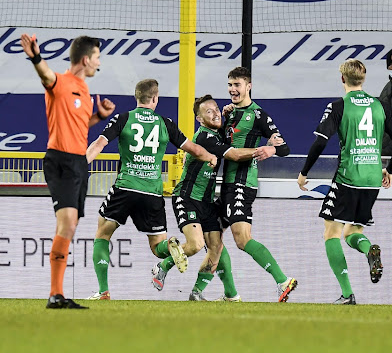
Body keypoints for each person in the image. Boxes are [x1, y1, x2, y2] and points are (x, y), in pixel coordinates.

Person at [84, 79, 218, 300]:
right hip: (153, 192)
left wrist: (81, 165)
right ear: (155, 98)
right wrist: (210, 156)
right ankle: (171, 246)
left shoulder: (124, 118)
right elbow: (193, 149)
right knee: (157, 247)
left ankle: (103, 290)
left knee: (103, 233)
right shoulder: (165, 123)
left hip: (126, 187)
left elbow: (99, 143)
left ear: (137, 97)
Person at [152, 94, 283, 301]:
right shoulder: (205, 137)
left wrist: (228, 114)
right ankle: (163, 265)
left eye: (215, 109)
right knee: (195, 245)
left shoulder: (219, 134)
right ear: (199, 119)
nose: (214, 113)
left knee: (216, 247)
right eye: (208, 112)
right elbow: (235, 155)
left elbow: (233, 133)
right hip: (186, 197)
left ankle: (198, 293)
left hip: (207, 201)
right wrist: (265, 149)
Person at [297, 59, 392, 304]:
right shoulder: (381, 105)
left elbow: (321, 141)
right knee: (352, 231)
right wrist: (390, 169)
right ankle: (369, 250)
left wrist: (304, 172)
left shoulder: (338, 106)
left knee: (331, 233)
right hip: (372, 178)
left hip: (348, 175)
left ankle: (347, 294)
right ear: (364, 79)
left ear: (342, 79)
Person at [20, 33, 115, 309]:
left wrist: (99, 117)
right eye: (97, 57)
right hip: (59, 160)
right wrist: (36, 57)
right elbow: (45, 74)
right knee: (68, 224)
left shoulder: (84, 90)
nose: (99, 63)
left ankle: (56, 295)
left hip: (78, 162)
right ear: (85, 59)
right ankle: (55, 294)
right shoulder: (60, 82)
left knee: (70, 226)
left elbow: (79, 125)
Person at [219, 67, 297, 302]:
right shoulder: (230, 114)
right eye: (230, 85)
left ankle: (283, 280)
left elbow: (285, 148)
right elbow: (224, 145)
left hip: (242, 183)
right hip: (227, 183)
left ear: (248, 86)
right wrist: (222, 119)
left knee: (242, 239)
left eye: (237, 85)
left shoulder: (259, 115)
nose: (233, 89)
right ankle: (227, 294)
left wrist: (271, 148)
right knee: (210, 236)